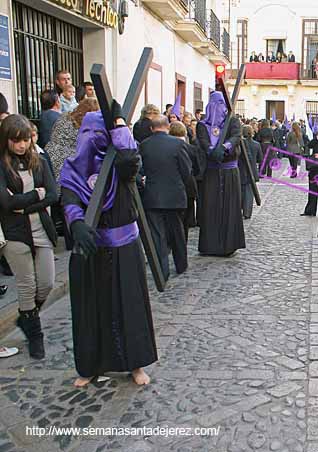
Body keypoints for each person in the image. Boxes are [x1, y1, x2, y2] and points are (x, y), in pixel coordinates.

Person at [60, 103, 157, 387]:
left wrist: (118, 124)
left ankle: (135, 364)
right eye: (89, 132)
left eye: (99, 132)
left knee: (129, 306)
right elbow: (69, 197)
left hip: (123, 247)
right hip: (89, 248)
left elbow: (130, 158)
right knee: (90, 309)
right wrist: (76, 223)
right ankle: (89, 366)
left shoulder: (120, 166)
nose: (94, 137)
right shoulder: (73, 166)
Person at [0, 114, 57, 359]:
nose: (22, 145)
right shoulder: (2, 165)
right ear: (7, 140)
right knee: (27, 285)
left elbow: (53, 194)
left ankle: (27, 318)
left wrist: (26, 204)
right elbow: (7, 202)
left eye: (25, 140)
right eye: (16, 141)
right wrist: (37, 195)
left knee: (46, 282)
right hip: (14, 233)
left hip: (41, 229)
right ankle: (36, 336)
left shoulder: (40, 160)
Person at [139, 115, 193, 280]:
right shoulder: (178, 144)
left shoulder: (144, 145)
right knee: (177, 232)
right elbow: (186, 170)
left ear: (151, 128)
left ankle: (162, 270)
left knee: (157, 235)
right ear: (168, 126)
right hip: (175, 195)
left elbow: (141, 170)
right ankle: (181, 264)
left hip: (153, 195)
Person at [196, 91, 245, 257]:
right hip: (212, 172)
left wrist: (224, 148)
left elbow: (236, 136)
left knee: (230, 206)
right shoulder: (202, 124)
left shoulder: (232, 120)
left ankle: (229, 244)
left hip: (229, 170)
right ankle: (211, 245)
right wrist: (211, 151)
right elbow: (203, 141)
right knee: (211, 206)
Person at [168, 121, 199, 238]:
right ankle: (182, 240)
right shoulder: (191, 149)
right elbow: (197, 169)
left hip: (172, 185)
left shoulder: (168, 148)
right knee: (185, 219)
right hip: (188, 186)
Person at [239, 125, 262, 220]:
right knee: (249, 193)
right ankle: (247, 212)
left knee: (241, 192)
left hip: (241, 170)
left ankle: (240, 210)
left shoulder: (240, 143)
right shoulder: (256, 144)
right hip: (251, 170)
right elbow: (260, 159)